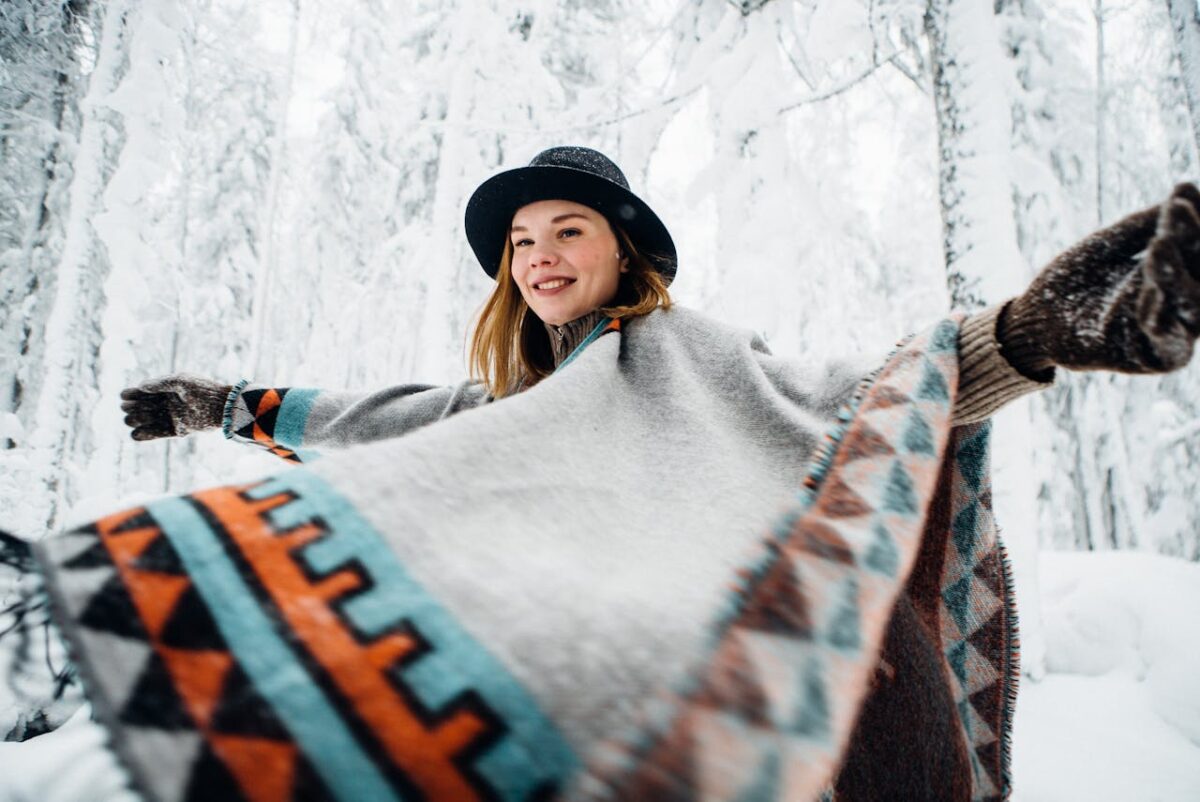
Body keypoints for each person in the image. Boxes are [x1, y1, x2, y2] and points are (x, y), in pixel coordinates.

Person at [9, 146, 1200, 801]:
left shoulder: (692, 356)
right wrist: (226, 405)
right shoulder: (520, 409)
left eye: (563, 229)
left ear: (621, 246)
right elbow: (382, 421)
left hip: (701, 688)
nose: (536, 257)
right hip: (560, 695)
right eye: (520, 243)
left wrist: (1031, 336)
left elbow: (860, 400)